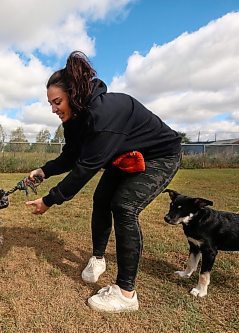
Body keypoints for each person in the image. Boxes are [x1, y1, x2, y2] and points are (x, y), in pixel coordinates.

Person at [25, 51, 182, 313]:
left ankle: (125, 293)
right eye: (51, 103)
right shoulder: (75, 121)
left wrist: (50, 200)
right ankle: (98, 259)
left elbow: (85, 168)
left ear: (73, 95)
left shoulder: (103, 115)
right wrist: (44, 170)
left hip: (159, 156)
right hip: (125, 158)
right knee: (101, 200)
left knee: (123, 207)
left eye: (57, 102)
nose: (53, 109)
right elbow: (71, 157)